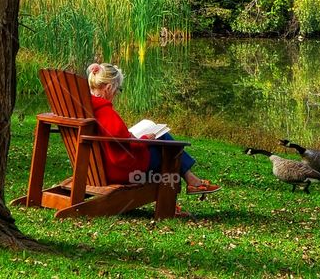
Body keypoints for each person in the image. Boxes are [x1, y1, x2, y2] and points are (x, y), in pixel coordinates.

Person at [87, 62, 221, 196]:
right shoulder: (105, 111)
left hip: (98, 168)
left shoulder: (88, 107)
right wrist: (144, 139)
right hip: (120, 170)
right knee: (167, 149)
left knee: (163, 142)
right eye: (118, 89)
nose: (116, 94)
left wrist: (130, 135)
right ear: (109, 87)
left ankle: (192, 181)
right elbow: (122, 148)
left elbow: (114, 139)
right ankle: (188, 186)